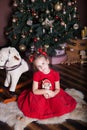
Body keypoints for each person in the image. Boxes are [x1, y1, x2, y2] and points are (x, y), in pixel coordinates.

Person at [17, 49, 77, 120]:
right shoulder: (37, 75)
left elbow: (57, 88)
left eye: (43, 63)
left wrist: (53, 93)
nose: (42, 67)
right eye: (39, 66)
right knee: (37, 107)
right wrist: (46, 91)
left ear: (47, 61)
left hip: (53, 92)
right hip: (40, 93)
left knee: (59, 104)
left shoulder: (55, 74)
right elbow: (35, 91)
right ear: (36, 67)